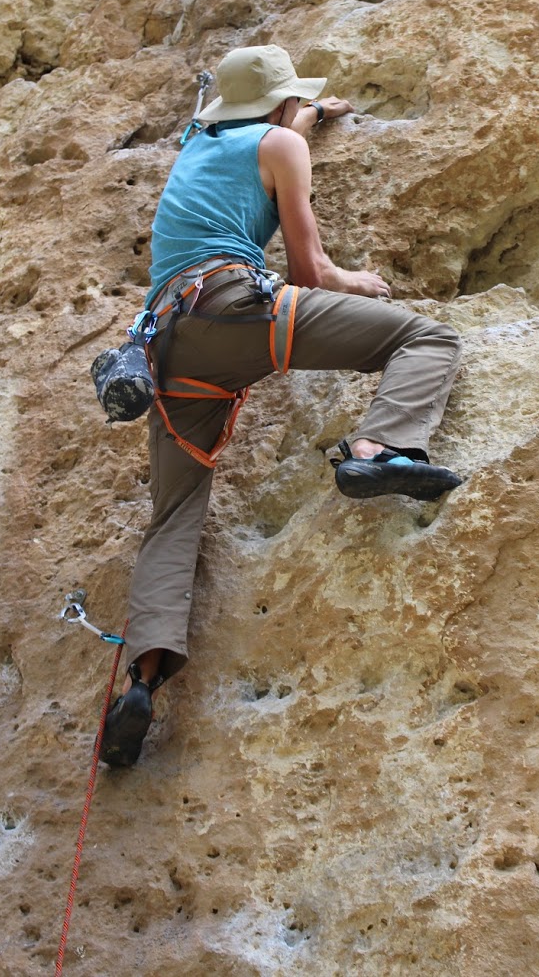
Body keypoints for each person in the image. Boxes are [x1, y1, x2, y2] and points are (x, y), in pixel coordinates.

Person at [100, 45, 462, 766]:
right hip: (237, 307)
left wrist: (315, 114)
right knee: (429, 339)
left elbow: (254, 132)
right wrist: (355, 281)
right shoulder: (282, 141)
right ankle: (376, 451)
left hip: (166, 348)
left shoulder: (198, 146)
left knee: (173, 517)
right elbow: (308, 271)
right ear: (281, 107)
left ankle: (142, 681)